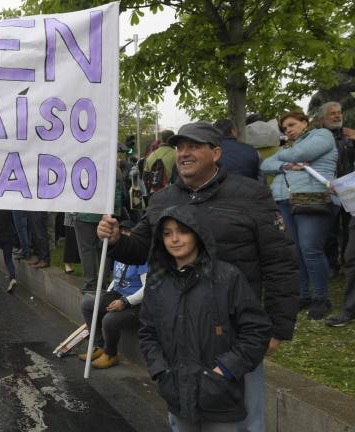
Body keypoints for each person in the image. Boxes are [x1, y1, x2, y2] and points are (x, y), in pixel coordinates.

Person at [98, 121, 298, 432]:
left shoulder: (251, 195)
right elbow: (140, 248)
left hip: (238, 333)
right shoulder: (163, 200)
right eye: (180, 147)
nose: (184, 153)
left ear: (216, 153)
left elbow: (280, 262)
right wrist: (115, 240)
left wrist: (278, 326)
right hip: (181, 333)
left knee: (246, 421)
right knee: (183, 417)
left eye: (194, 146)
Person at [139, 206, 271, 432]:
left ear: (198, 233)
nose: (175, 239)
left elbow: (256, 330)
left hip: (220, 397)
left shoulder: (227, 277)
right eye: (167, 233)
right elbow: (147, 332)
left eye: (182, 231)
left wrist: (225, 370)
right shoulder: (157, 282)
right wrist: (161, 370)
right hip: (177, 394)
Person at [261, 111, 337, 320]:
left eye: (292, 125)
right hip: (285, 200)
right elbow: (265, 165)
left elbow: (298, 155)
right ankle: (304, 295)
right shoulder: (290, 146)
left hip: (312, 198)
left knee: (310, 249)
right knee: (295, 251)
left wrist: (286, 155)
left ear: (305, 122)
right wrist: (286, 165)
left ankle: (321, 298)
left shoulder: (322, 135)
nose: (289, 131)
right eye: (285, 129)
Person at [80, 220, 146, 369]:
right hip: (119, 294)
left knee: (110, 320)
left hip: (138, 303)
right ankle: (99, 345)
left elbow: (148, 288)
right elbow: (117, 278)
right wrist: (108, 293)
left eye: (127, 232)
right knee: (89, 305)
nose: (123, 234)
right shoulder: (120, 252)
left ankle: (111, 354)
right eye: (121, 231)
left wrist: (124, 301)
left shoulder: (142, 257)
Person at [320, 102, 353, 276]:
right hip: (327, 188)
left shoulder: (349, 135)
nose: (337, 116)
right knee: (329, 229)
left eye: (339, 112)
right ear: (323, 118)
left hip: (350, 188)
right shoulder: (317, 137)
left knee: (349, 227)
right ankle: (332, 265)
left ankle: (349, 263)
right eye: (332, 113)